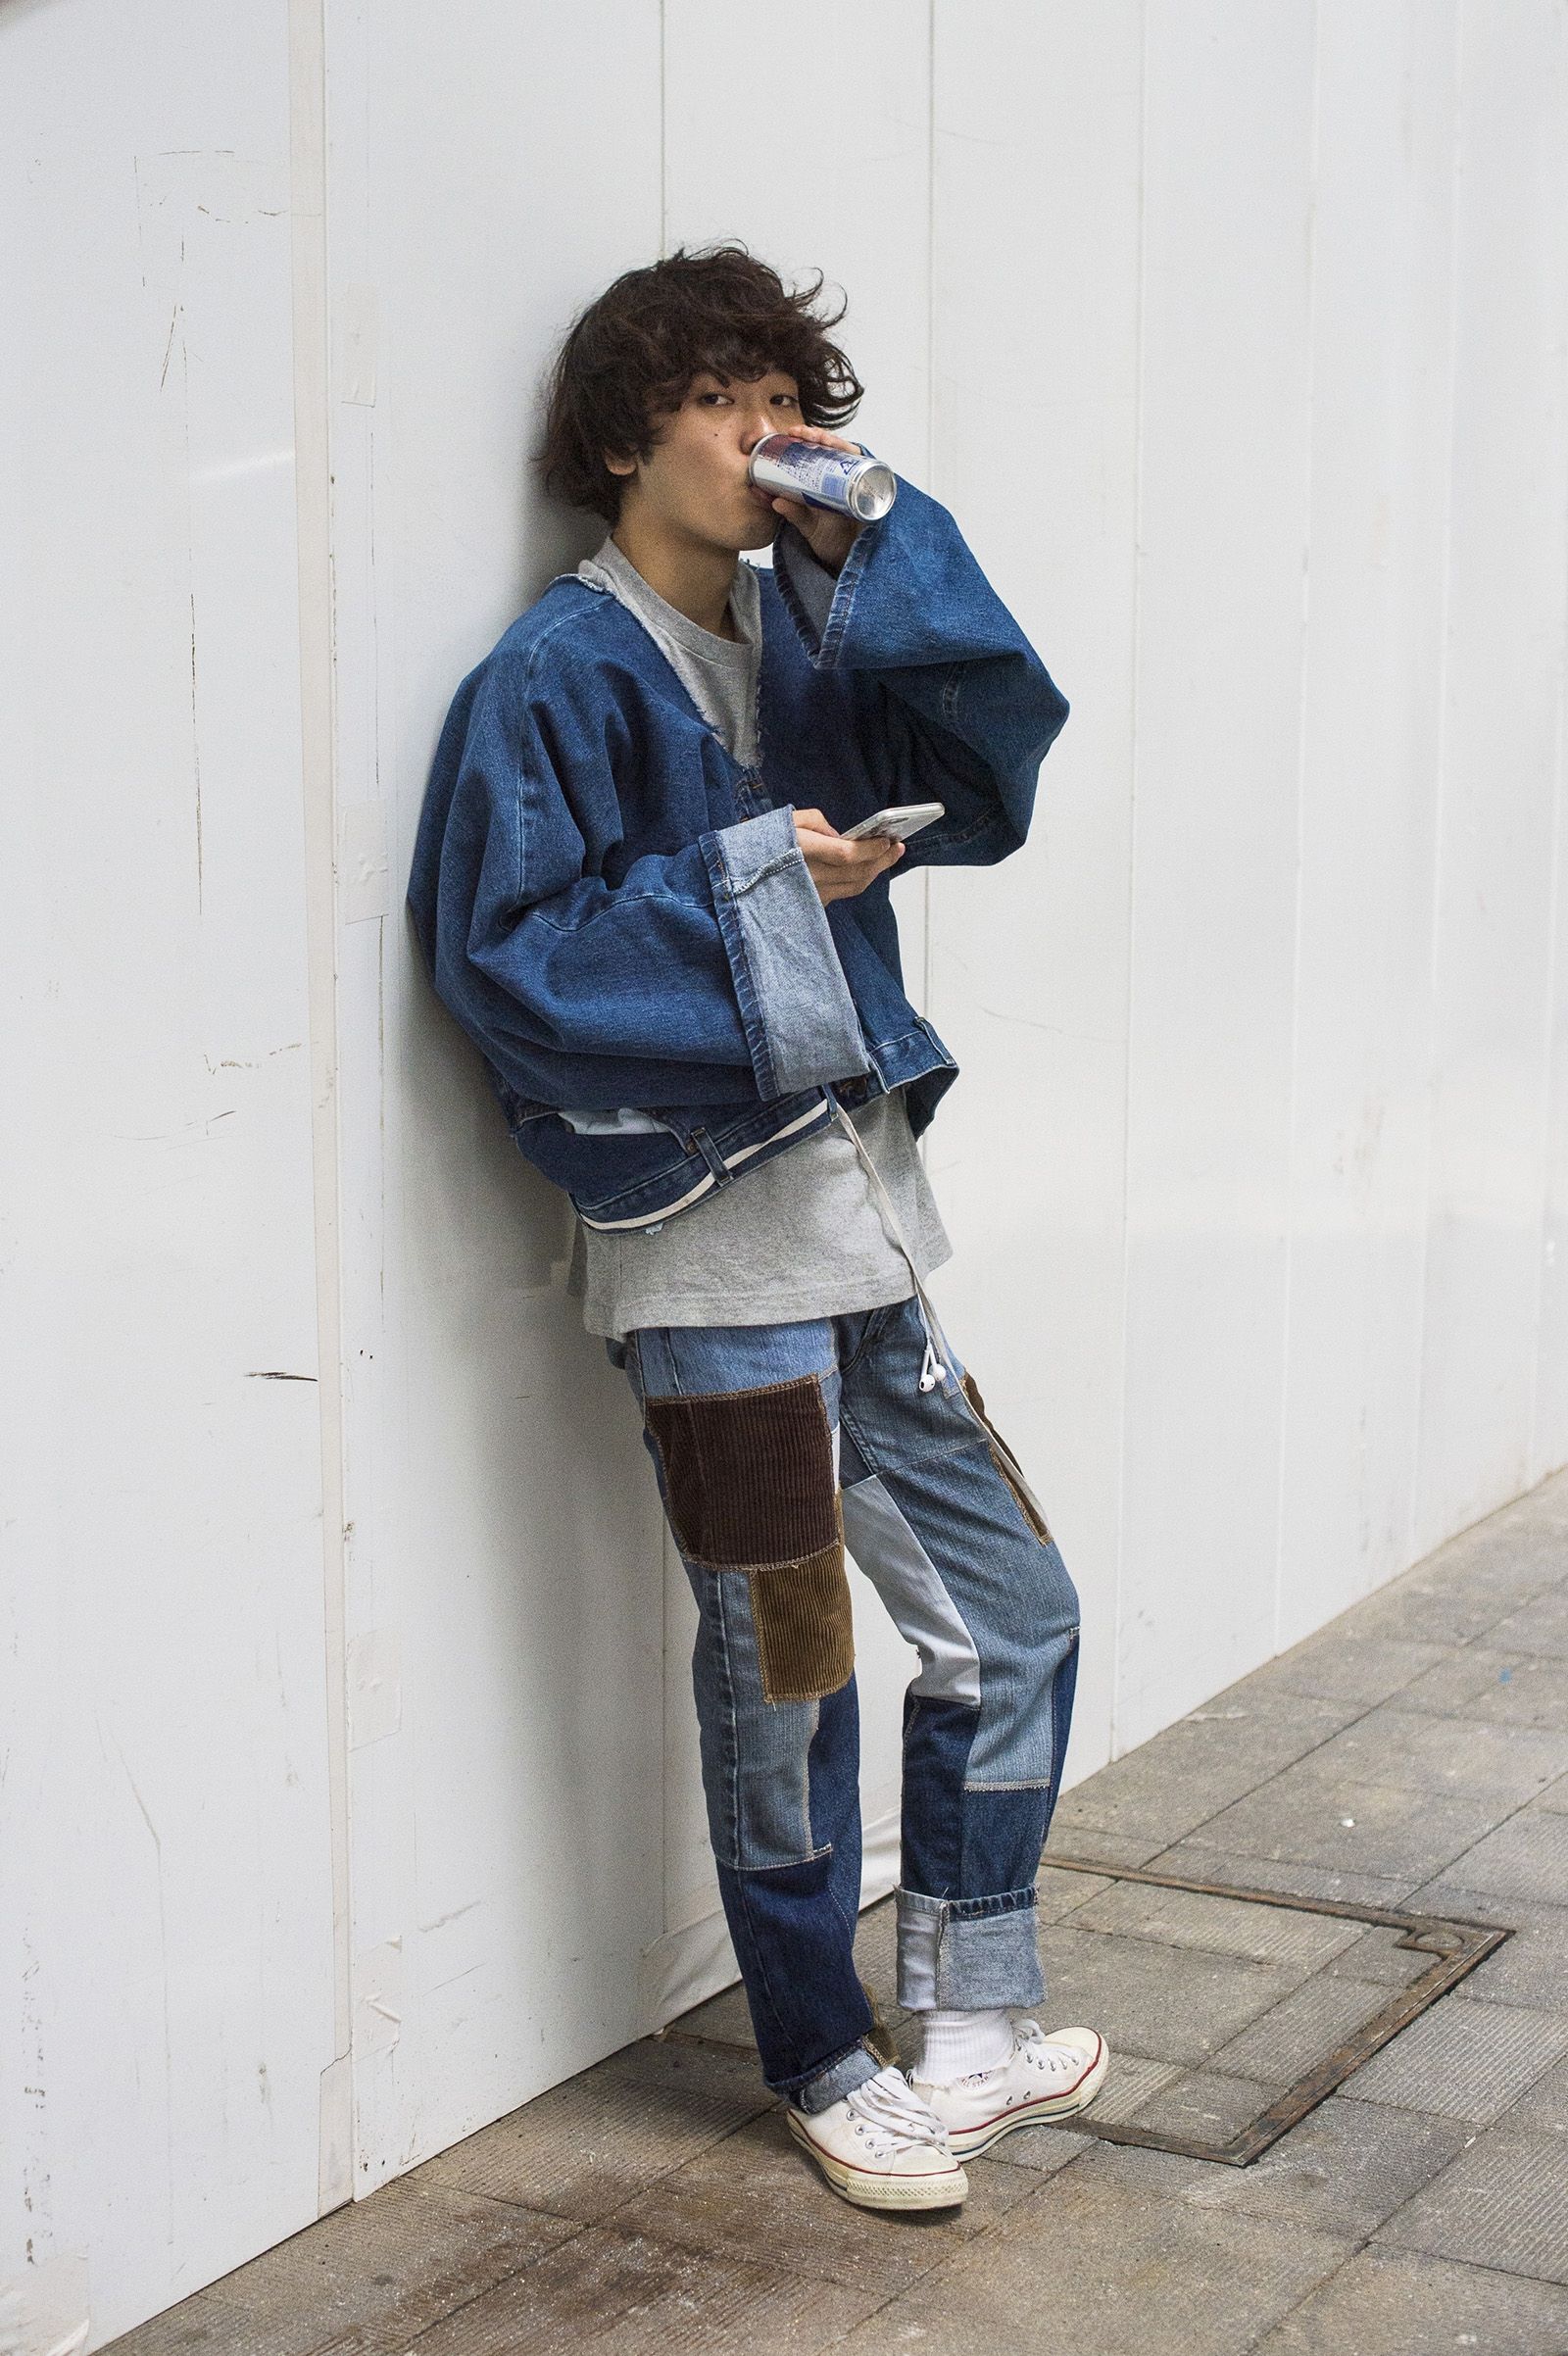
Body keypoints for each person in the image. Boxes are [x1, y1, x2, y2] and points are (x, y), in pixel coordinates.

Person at [407, 242, 1108, 2212]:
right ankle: (820, 2057)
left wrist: (878, 541)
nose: (761, 436)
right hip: (714, 1273)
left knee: (1014, 1612)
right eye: (716, 402)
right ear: (623, 438)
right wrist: (751, 879)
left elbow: (989, 759)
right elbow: (504, 962)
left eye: (787, 403)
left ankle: (968, 2024)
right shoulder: (555, 675)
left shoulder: (809, 641)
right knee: (789, 1667)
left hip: (865, 1240)